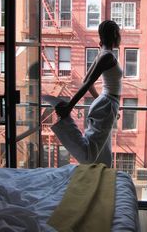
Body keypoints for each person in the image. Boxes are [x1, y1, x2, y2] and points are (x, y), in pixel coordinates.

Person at [43, 20, 122, 168]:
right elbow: (87, 83)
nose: (120, 37)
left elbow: (86, 80)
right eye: (119, 33)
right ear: (114, 34)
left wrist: (103, 102)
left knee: (103, 153)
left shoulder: (103, 54)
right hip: (107, 103)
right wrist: (69, 107)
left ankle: (100, 177)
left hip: (107, 103)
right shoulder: (107, 56)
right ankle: (66, 124)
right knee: (88, 155)